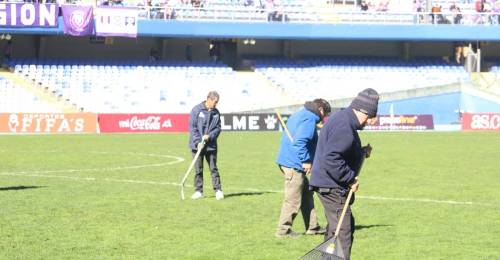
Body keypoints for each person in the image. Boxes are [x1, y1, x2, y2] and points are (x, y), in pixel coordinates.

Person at [310, 88, 379, 259]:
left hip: (328, 183)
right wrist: (350, 178)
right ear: (360, 110)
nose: (370, 122)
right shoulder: (344, 125)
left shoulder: (343, 119)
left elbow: (341, 149)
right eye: (369, 117)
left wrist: (361, 152)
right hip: (331, 186)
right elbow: (332, 158)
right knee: (342, 233)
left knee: (336, 230)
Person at [275, 98, 332, 238]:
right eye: (325, 115)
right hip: (293, 164)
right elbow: (300, 142)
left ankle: (313, 227)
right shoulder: (309, 120)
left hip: (290, 161)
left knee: (306, 194)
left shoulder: (302, 114)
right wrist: (306, 160)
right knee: (293, 199)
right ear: (321, 110)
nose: (324, 118)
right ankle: (283, 231)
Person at [189, 91, 224, 200]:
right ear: (209, 99)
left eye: (217, 102)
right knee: (198, 169)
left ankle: (218, 190)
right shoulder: (196, 110)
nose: (216, 104)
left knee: (213, 168)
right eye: (215, 102)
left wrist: (209, 136)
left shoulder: (216, 113)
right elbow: (193, 128)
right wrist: (197, 142)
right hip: (197, 147)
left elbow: (218, 128)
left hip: (211, 146)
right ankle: (198, 191)